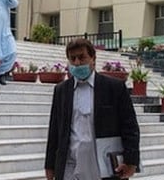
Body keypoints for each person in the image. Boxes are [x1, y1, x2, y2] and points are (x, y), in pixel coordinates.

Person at [45, 38, 140, 180]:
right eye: (73, 58)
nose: (77, 63)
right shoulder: (61, 90)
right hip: (70, 166)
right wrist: (50, 165)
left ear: (93, 59)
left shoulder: (114, 88)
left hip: (102, 166)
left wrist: (131, 161)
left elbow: (130, 127)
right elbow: (54, 131)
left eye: (82, 57)